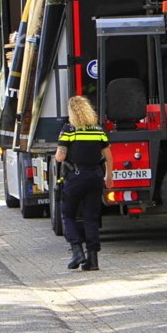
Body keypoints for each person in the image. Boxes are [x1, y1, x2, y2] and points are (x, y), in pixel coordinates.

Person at [55, 96, 114, 271]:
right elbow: (109, 156)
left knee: (68, 213)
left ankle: (77, 251)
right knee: (91, 218)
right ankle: (93, 260)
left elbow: (60, 157)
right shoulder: (98, 130)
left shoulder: (69, 130)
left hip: (76, 176)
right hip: (96, 176)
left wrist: (58, 151)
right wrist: (109, 177)